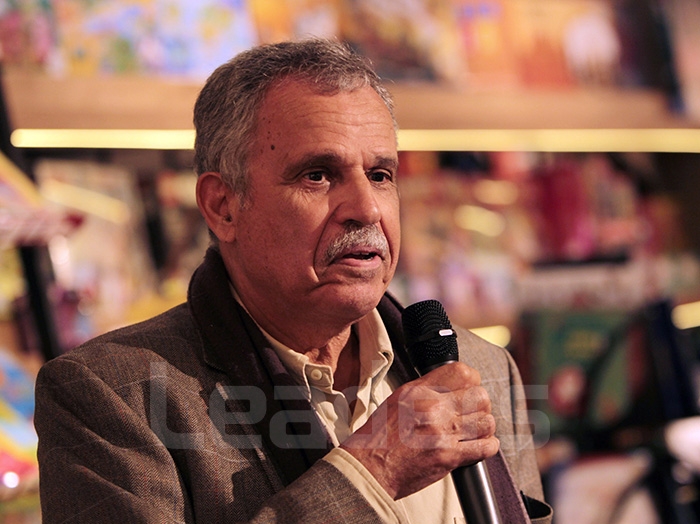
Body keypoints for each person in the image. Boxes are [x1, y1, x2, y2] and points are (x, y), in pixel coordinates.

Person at [34, 39, 551, 523]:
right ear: (223, 205)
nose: (367, 208)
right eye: (318, 175)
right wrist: (371, 472)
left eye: (380, 175)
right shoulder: (109, 395)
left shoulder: (482, 368)